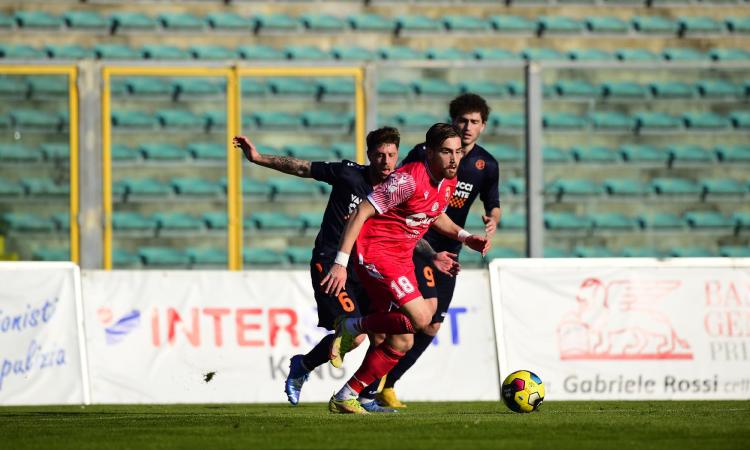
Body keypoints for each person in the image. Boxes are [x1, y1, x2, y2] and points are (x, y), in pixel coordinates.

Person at [233, 128, 458, 412]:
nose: (386, 162)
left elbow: (411, 230)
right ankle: (303, 365)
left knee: (389, 335)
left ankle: (363, 396)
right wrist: (258, 158)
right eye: (379, 155)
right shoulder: (349, 175)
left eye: (391, 155)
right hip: (332, 263)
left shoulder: (399, 186)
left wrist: (433, 254)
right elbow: (303, 168)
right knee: (358, 338)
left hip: (370, 266)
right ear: (368, 156)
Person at [321, 123, 490, 414]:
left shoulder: (448, 181)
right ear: (431, 152)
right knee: (423, 317)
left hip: (401, 258)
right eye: (447, 152)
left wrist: (465, 236)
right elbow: (362, 210)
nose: (454, 159)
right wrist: (340, 263)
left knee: (403, 338)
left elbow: (432, 214)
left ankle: (347, 395)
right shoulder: (408, 180)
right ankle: (352, 326)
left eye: (458, 152)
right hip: (376, 252)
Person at [364, 93, 502, 408]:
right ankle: (367, 384)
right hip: (415, 244)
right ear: (452, 123)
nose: (468, 127)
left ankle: (387, 382)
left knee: (433, 324)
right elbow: (400, 191)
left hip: (452, 248)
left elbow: (493, 204)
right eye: (462, 121)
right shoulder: (423, 156)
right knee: (408, 320)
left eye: (474, 122)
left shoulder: (487, 165)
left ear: (483, 126)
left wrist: (490, 221)